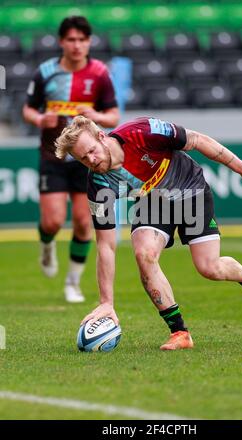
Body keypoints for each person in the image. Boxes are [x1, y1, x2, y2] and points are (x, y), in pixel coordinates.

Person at [55, 115, 242, 350]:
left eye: (92, 151)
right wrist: (106, 302)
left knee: (209, 268)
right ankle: (180, 332)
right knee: (144, 254)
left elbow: (197, 140)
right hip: (152, 201)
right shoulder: (98, 184)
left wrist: (240, 167)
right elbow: (105, 245)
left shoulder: (142, 132)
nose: (91, 160)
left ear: (102, 136)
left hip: (190, 190)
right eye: (83, 158)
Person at [23, 16, 120, 303]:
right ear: (61, 42)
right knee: (52, 221)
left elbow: (114, 116)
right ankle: (46, 244)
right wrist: (40, 118)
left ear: (89, 42)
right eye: (71, 40)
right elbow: (27, 109)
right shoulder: (46, 72)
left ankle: (73, 282)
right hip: (52, 154)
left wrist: (97, 116)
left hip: (87, 159)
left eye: (82, 39)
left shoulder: (100, 73)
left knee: (81, 222)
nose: (77, 45)